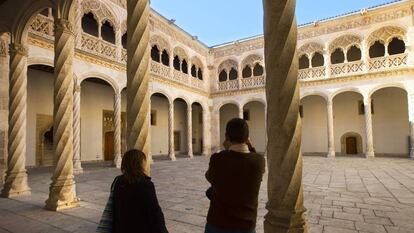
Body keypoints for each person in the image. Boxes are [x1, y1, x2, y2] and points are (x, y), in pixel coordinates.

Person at [205, 118, 266, 233]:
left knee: (211, 191)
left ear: (227, 137)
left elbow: (209, 177)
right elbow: (253, 159)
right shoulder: (259, 161)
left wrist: (227, 150)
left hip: (218, 224)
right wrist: (251, 147)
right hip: (246, 226)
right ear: (248, 138)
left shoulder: (218, 159)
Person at [112, 149, 169, 233]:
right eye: (144, 161)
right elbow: (155, 213)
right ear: (139, 163)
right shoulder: (146, 185)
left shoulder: (118, 182)